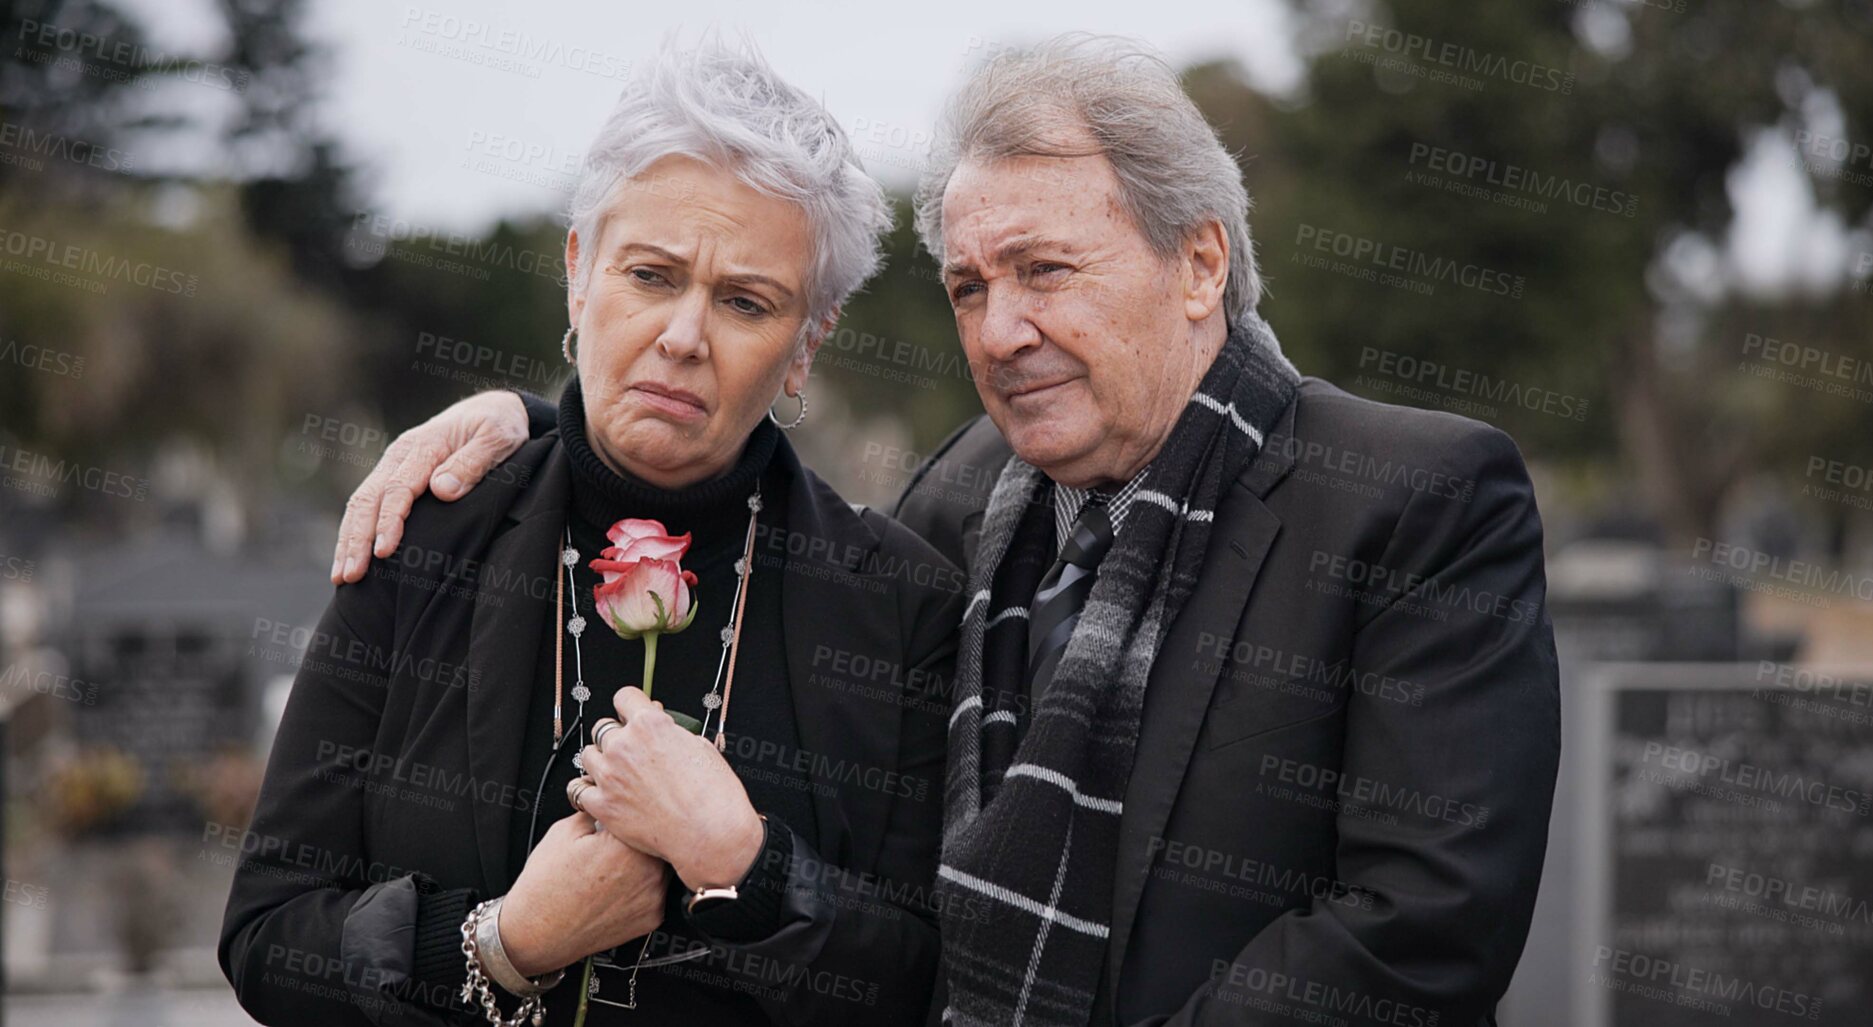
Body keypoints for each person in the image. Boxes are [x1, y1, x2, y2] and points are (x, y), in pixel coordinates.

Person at [337, 34, 1561, 1027]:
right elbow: (734, 476)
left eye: (1044, 271)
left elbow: (1423, 927)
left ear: (1198, 265)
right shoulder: (970, 499)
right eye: (970, 288)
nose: (999, 331)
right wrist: (533, 431)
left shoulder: (1417, 498)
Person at [222, 39, 960, 1027]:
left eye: (746, 301)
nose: (685, 336)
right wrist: (505, 941)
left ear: (806, 346)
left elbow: (927, 980)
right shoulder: (431, 536)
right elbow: (267, 934)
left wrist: (752, 869)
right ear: (580, 273)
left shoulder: (898, 603)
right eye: (651, 276)